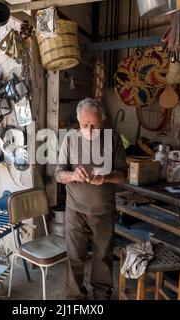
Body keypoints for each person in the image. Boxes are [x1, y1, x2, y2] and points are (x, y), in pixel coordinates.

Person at [55, 97, 128, 299]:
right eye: (85, 125)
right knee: (74, 257)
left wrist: (106, 177)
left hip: (103, 211)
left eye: (94, 126)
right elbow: (58, 174)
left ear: (102, 121)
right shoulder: (69, 139)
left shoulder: (113, 139)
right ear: (78, 122)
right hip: (75, 210)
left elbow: (123, 174)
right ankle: (75, 298)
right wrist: (73, 175)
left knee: (103, 258)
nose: (89, 130)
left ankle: (101, 296)